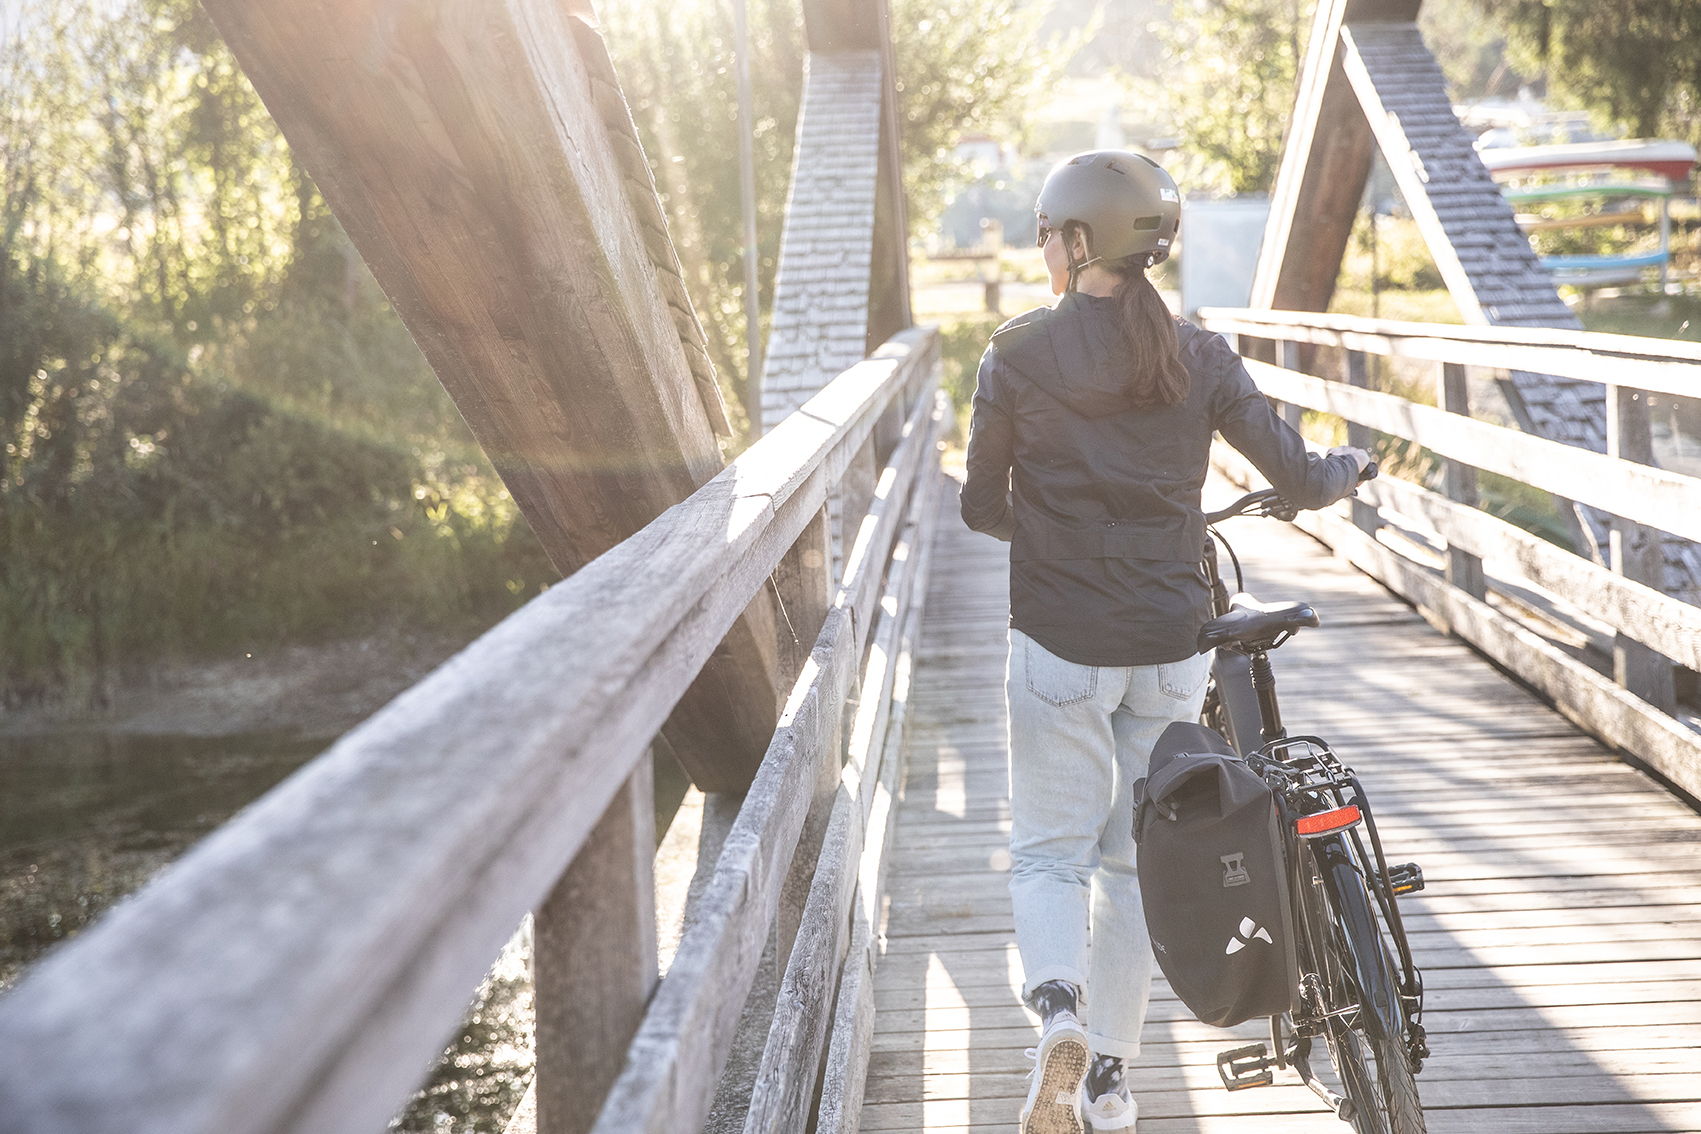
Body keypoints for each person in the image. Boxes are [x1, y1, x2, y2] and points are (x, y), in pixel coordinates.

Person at [959, 150, 1369, 1134]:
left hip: (1059, 640)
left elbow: (979, 506)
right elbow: (1303, 480)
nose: (1043, 246)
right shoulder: (1201, 353)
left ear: (1077, 240)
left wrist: (1052, 533)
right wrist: (1347, 465)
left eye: (1049, 230)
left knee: (1049, 852)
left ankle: (1056, 1009)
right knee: (1127, 858)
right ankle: (1106, 1075)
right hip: (1171, 644)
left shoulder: (1014, 354)